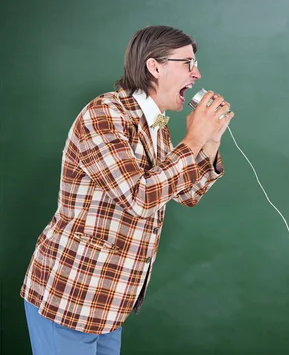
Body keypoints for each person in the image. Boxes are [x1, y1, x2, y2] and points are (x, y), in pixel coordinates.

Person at [20, 25, 234, 354]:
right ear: (154, 66)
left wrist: (208, 144)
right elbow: (139, 196)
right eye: (188, 63)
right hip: (70, 294)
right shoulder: (105, 113)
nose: (197, 73)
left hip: (110, 299)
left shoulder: (156, 126)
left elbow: (185, 194)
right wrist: (191, 141)